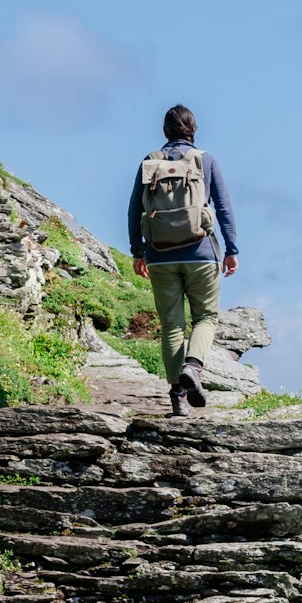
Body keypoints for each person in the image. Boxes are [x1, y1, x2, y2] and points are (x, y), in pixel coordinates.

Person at [128, 103, 239, 413]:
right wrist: (232, 250)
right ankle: (194, 366)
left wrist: (139, 252)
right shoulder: (206, 161)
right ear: (194, 130)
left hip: (160, 255)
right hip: (201, 253)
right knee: (205, 317)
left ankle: (178, 395)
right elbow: (225, 208)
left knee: (172, 326)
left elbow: (134, 209)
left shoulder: (149, 162)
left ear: (165, 131)